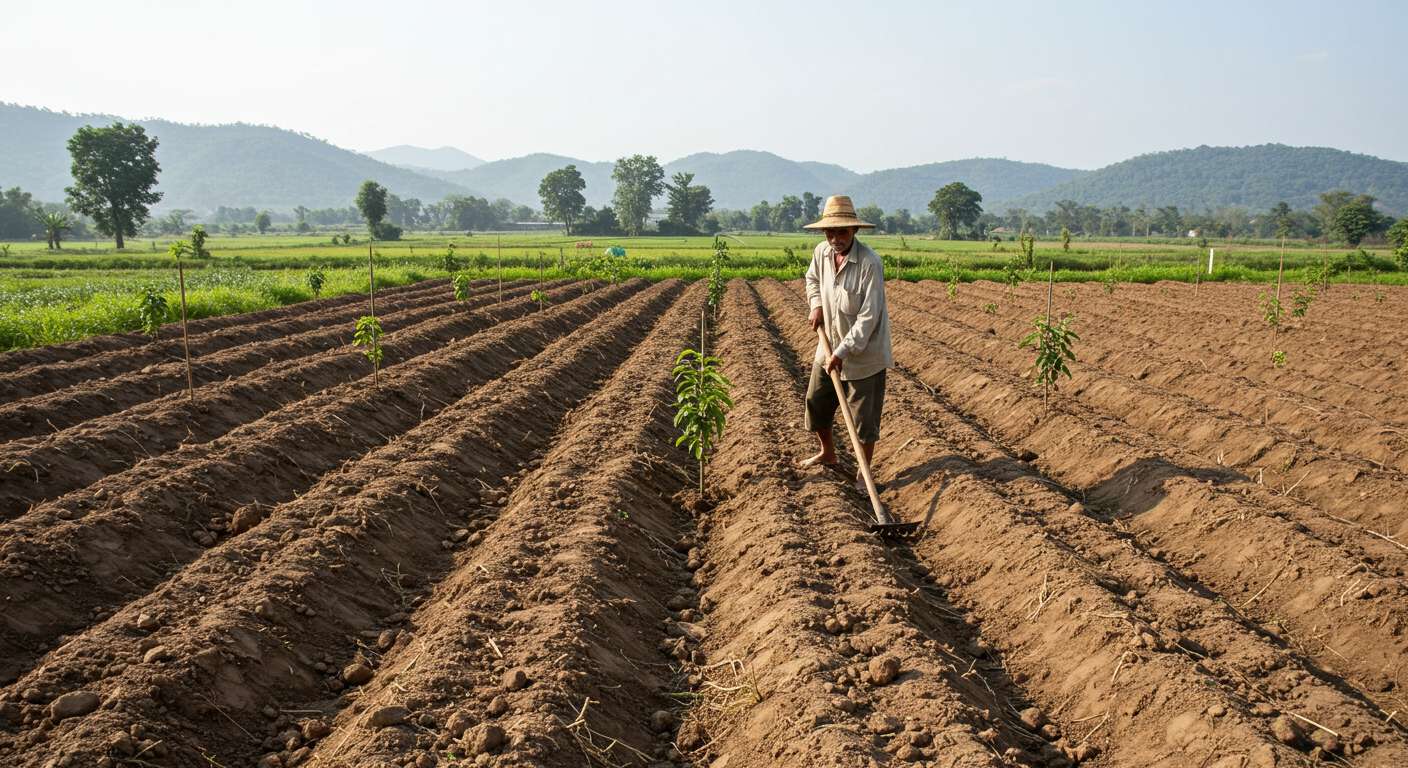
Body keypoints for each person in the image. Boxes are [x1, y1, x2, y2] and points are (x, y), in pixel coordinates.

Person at [799, 195, 894, 491]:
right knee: (816, 402)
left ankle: (863, 476)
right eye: (830, 232)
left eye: (841, 232)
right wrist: (815, 305)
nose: (835, 238)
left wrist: (842, 352)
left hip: (865, 354)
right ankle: (828, 453)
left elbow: (868, 318)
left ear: (854, 231)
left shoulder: (869, 264)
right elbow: (812, 279)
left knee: (864, 422)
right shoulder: (821, 253)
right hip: (828, 347)